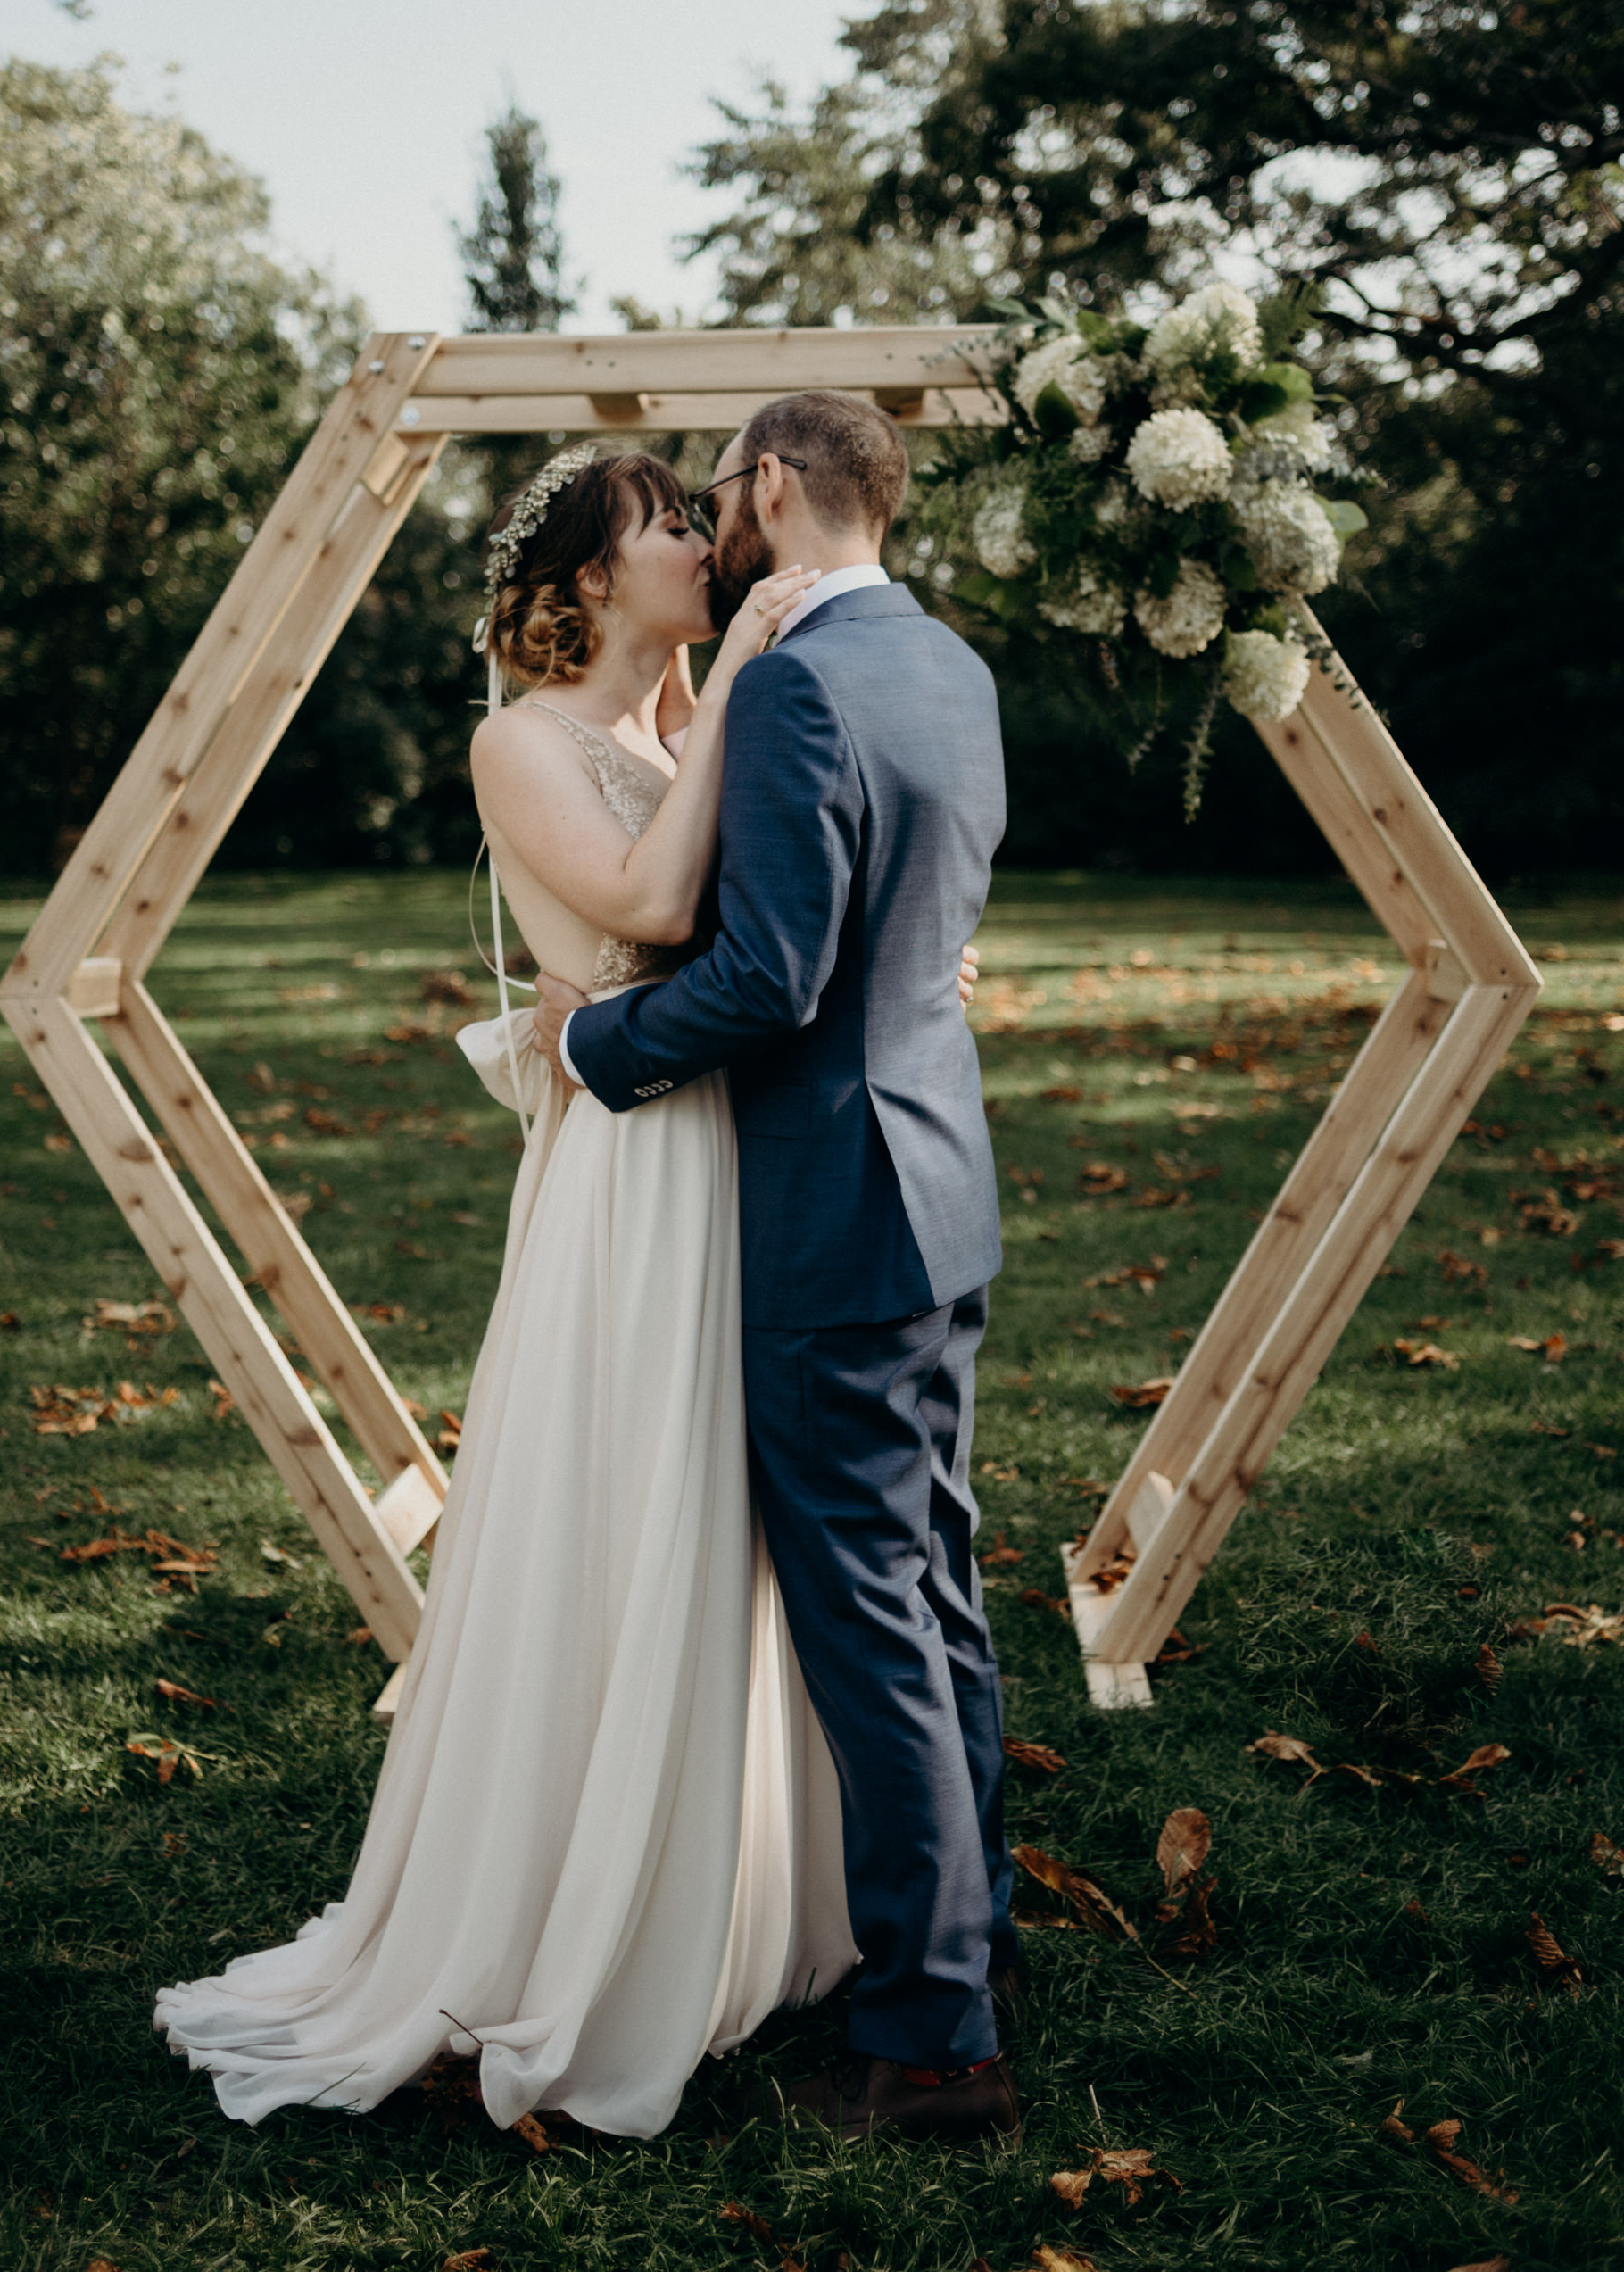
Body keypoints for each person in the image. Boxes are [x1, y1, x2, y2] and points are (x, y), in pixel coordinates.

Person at [153, 445, 864, 2138]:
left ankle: (738, 1897)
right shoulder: (522, 742)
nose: (708, 539)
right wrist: (740, 683)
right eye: (670, 527)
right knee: (627, 1512)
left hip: (741, 1160)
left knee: (738, 1526)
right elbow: (651, 903)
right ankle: (564, 1921)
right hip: (633, 1180)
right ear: (592, 582)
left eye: (702, 514)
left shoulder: (683, 727)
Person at [534, 390, 1021, 2145]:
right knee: (937, 1594)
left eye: (721, 493)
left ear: (767, 491)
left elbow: (768, 981)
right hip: (940, 1188)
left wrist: (583, 1048)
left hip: (833, 1204)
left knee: (873, 1625)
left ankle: (932, 2043)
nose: (710, 524)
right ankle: (974, 1943)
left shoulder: (804, 678)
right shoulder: (949, 667)